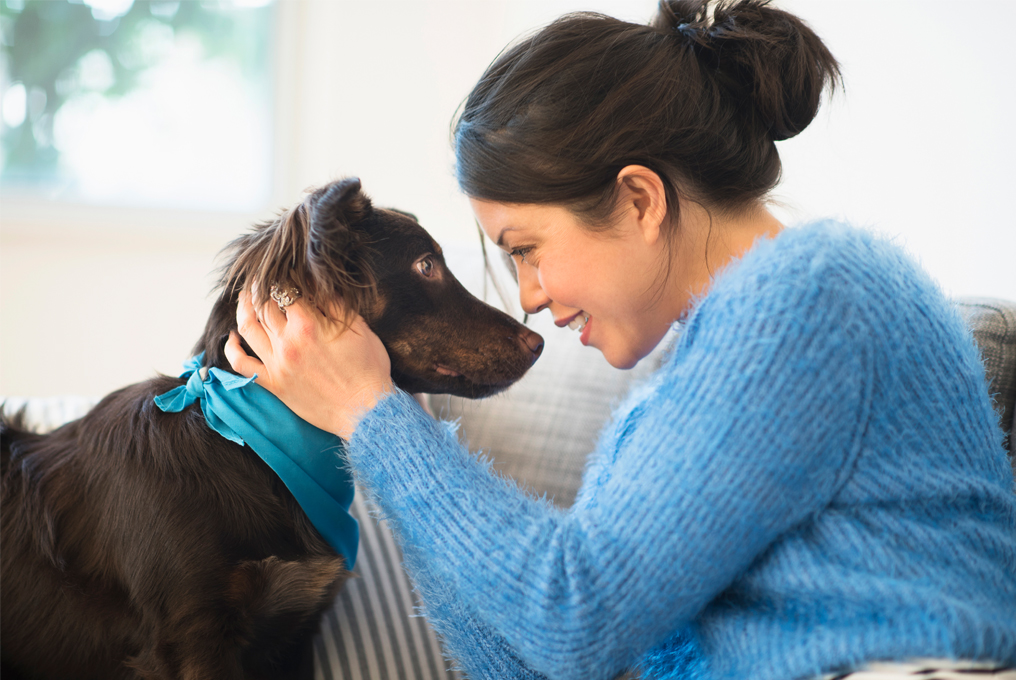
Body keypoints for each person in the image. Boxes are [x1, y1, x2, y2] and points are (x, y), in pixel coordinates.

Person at [225, 1, 1016, 678]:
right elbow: (540, 660)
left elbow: (574, 619)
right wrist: (384, 410)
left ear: (639, 200)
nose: (529, 299)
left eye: (524, 250)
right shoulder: (700, 369)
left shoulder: (813, 297)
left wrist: (375, 418)